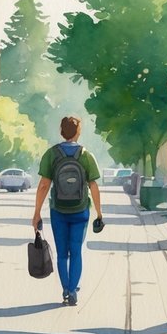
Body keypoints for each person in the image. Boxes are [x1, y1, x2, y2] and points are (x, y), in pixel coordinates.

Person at [31, 116, 103, 306]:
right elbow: (94, 186)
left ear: (61, 131)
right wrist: (99, 213)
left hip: (58, 211)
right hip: (80, 211)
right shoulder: (86, 155)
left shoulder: (51, 154)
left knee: (62, 253)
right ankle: (73, 290)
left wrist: (37, 212)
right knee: (77, 251)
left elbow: (44, 185)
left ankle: (65, 290)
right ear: (78, 132)